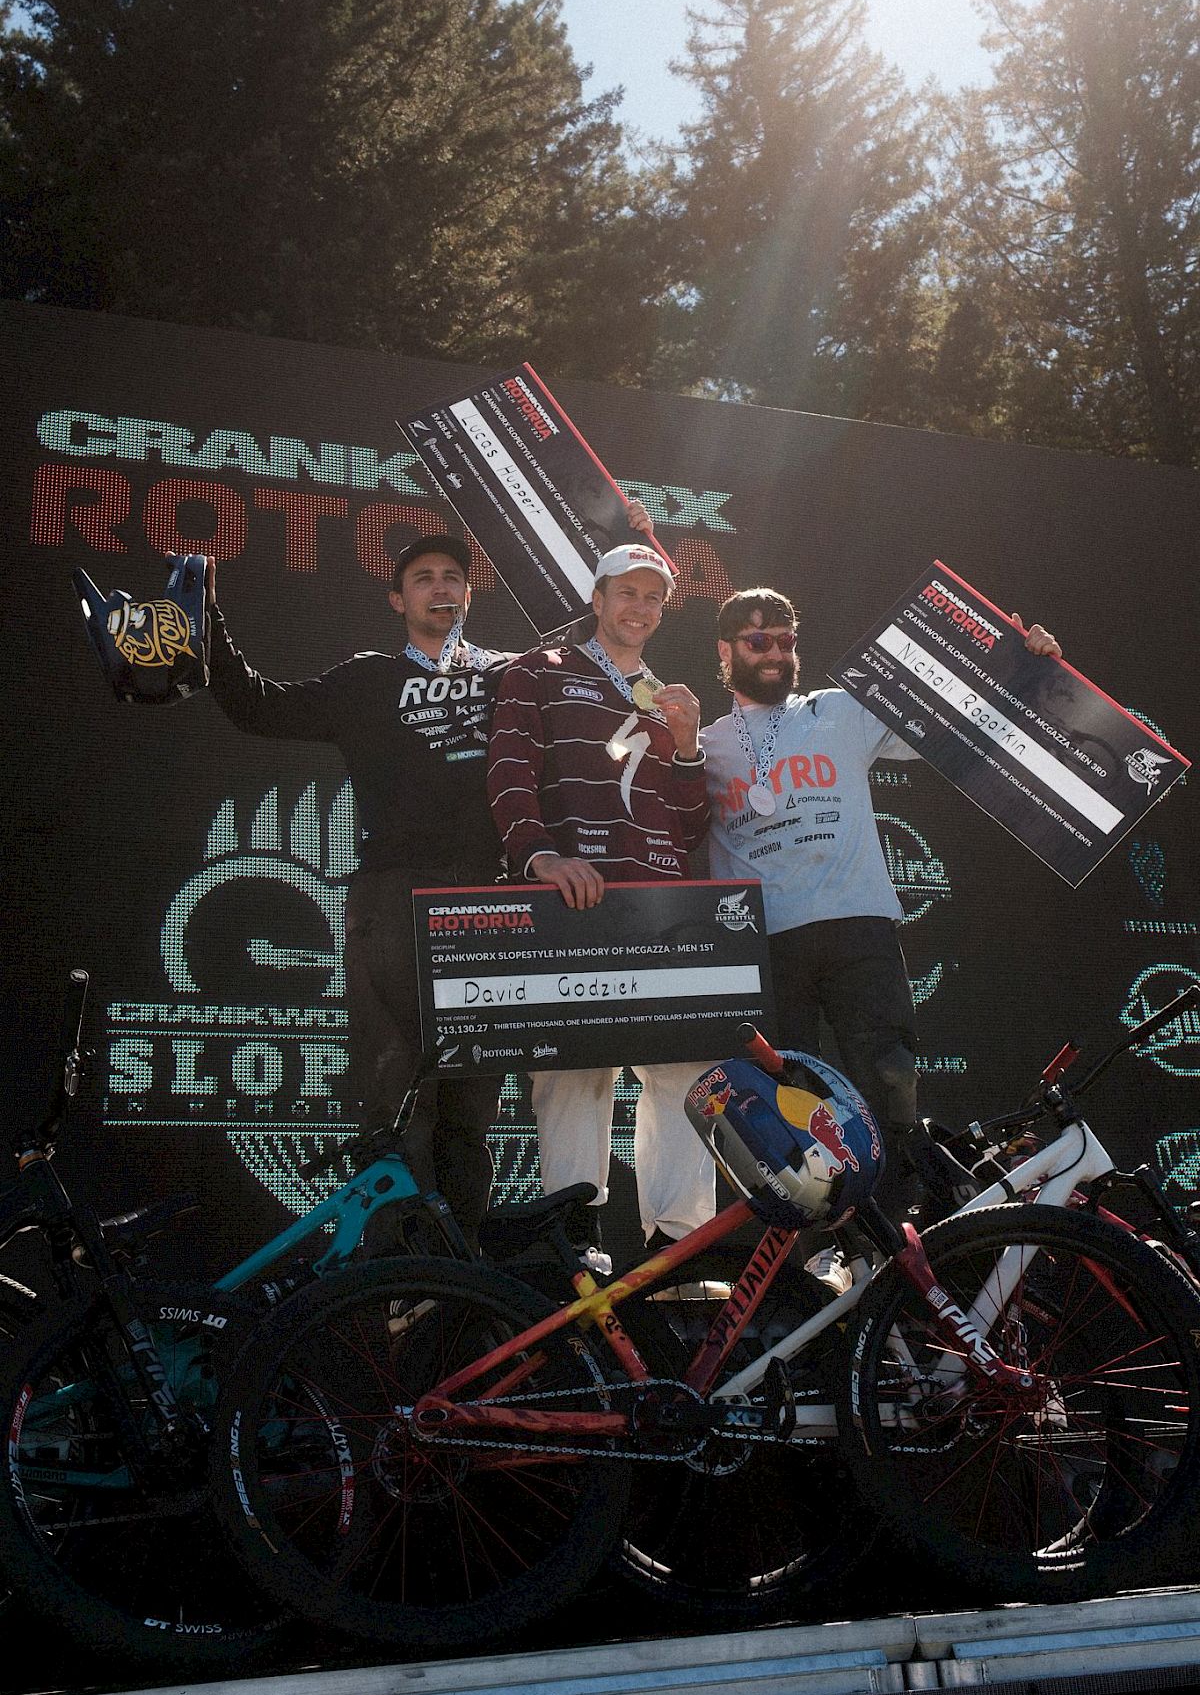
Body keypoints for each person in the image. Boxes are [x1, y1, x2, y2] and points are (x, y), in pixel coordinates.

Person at [700, 587, 1061, 1225]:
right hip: (764, 942)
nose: (778, 653)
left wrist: (1022, 665)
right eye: (759, 642)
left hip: (857, 928)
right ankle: (808, 1267)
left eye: (787, 640)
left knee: (890, 1082)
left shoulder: (841, 710)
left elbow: (950, 729)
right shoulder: (703, 745)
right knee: (787, 1114)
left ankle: (898, 1245)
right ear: (726, 652)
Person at [204, 534, 512, 1249]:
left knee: (472, 1109)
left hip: (488, 904)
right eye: (423, 578)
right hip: (394, 902)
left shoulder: (509, 676)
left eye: (454, 578)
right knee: (398, 1106)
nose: (441, 588)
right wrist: (207, 616)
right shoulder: (369, 676)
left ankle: (460, 1289)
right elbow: (258, 706)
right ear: (397, 599)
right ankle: (394, 1287)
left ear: (469, 596)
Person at [487, 542, 717, 1253]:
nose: (640, 608)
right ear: (596, 598)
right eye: (627, 593)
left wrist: (687, 749)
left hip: (657, 908)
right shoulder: (539, 669)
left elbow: (689, 824)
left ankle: (680, 1247)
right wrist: (539, 854)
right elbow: (508, 765)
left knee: (683, 1070)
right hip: (575, 902)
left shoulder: (665, 695)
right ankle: (573, 1237)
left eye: (653, 598)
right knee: (573, 1067)